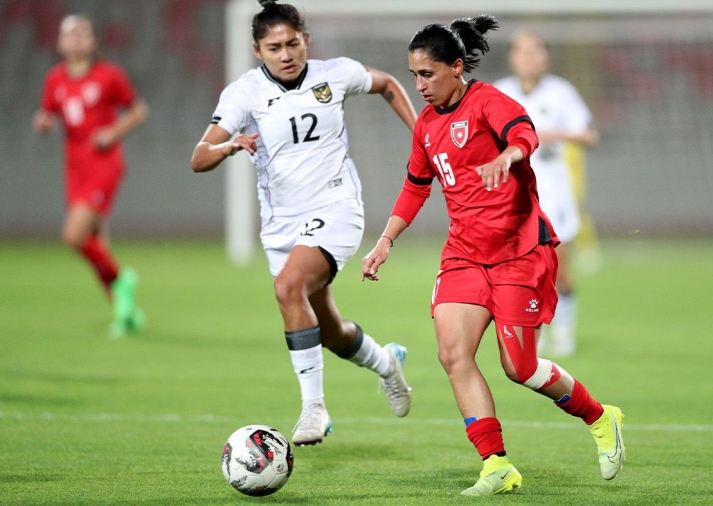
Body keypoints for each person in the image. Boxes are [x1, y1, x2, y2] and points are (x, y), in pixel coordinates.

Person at [361, 15, 624, 496]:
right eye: (414, 75)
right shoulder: (426, 125)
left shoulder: (489, 102)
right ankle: (496, 464)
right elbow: (416, 186)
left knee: (519, 368)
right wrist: (385, 240)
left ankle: (600, 417)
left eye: (427, 74)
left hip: (518, 252)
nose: (419, 85)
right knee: (452, 353)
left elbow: (526, 134)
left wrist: (507, 156)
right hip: (464, 255)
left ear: (456, 67)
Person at [190, 0, 417, 447]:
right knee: (329, 331)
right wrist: (230, 146)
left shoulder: (335, 74)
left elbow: (387, 83)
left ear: (306, 40)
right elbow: (199, 157)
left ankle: (314, 408)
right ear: (257, 50)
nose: (286, 54)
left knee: (288, 287)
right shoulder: (244, 94)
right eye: (274, 47)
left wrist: (422, 133)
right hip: (282, 225)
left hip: (336, 207)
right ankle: (387, 364)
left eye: (293, 44)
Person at [33, 14, 148, 338]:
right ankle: (125, 312)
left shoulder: (109, 75)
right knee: (96, 242)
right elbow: (47, 113)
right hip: (75, 168)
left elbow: (139, 110)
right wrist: (42, 123)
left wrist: (113, 132)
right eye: (70, 34)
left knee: (74, 234)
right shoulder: (55, 79)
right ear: (60, 43)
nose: (76, 39)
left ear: (93, 41)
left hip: (104, 164)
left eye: (83, 33)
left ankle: (122, 279)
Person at [494, 30, 599, 357]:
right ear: (513, 57)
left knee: (558, 269)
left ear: (544, 57)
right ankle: (531, 334)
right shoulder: (499, 93)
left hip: (554, 192)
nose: (528, 58)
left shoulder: (561, 93)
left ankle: (564, 332)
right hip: (514, 196)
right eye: (522, 51)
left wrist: (554, 134)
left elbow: (589, 136)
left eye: (534, 51)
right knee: (520, 271)